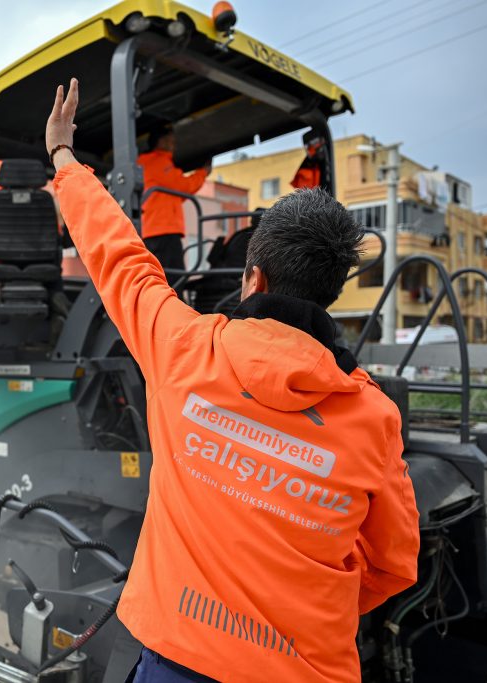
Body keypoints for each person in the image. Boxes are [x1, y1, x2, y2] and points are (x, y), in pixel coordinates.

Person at [46, 79, 419, 683]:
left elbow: (120, 258)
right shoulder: (374, 419)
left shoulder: (181, 349)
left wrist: (65, 159)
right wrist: (300, 605)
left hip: (178, 660)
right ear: (332, 290)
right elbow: (394, 564)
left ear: (252, 277)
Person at [137, 128, 212, 275]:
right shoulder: (158, 161)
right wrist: (203, 173)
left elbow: (177, 194)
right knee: (174, 277)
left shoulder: (146, 163)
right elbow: (183, 187)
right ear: (161, 141)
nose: (173, 145)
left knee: (162, 275)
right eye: (170, 141)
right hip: (164, 229)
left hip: (153, 229)